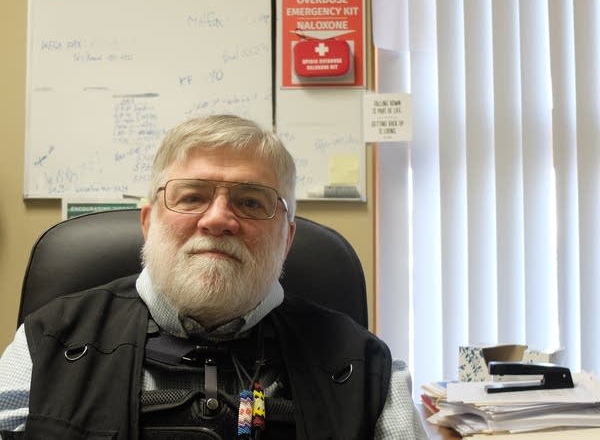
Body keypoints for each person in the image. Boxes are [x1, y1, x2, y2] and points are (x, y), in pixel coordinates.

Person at [0, 114, 428, 439]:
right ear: (148, 222)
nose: (219, 219)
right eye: (192, 196)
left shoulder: (369, 369)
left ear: (287, 238)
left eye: (251, 202)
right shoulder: (45, 344)